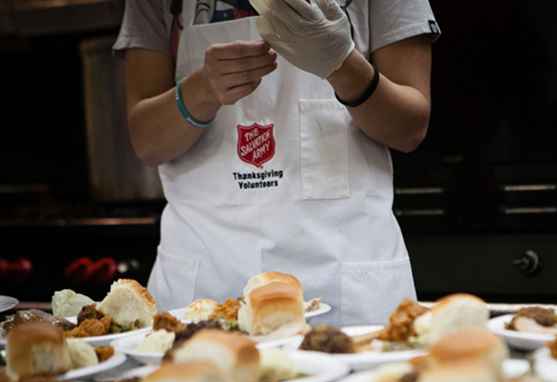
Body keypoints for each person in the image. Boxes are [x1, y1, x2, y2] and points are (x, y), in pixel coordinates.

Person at [113, 0, 439, 325]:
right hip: (204, 286)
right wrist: (203, 90)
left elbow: (409, 130)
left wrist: (340, 64)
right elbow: (147, 142)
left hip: (344, 281)